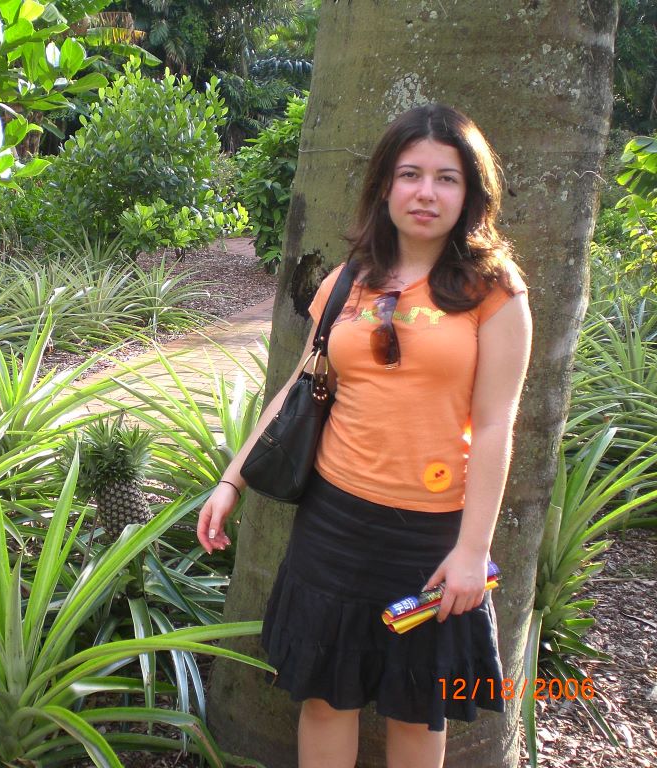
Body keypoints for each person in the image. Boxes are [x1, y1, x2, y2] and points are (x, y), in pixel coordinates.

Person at [196, 103, 532, 768]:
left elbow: (497, 425)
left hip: (431, 539)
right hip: (333, 527)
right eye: (410, 174)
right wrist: (233, 479)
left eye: (446, 177)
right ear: (385, 186)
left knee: (417, 706)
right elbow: (300, 385)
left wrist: (473, 550)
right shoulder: (347, 281)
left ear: (470, 192)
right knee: (325, 697)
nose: (426, 192)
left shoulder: (494, 294)